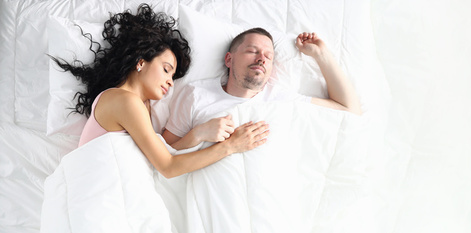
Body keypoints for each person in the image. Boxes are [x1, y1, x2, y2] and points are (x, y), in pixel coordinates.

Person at [50, 4, 267, 178]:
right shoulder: (123, 100)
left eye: (172, 77)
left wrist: (198, 133)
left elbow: (158, 159)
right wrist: (231, 146)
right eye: (166, 70)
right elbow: (168, 167)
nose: (170, 82)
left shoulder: (138, 105)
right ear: (140, 62)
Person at [162, 28, 361, 149]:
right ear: (229, 59)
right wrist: (198, 135)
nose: (261, 59)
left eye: (268, 56)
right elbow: (164, 153)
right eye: (252, 51)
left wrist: (321, 55)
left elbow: (349, 109)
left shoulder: (282, 100)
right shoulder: (196, 94)